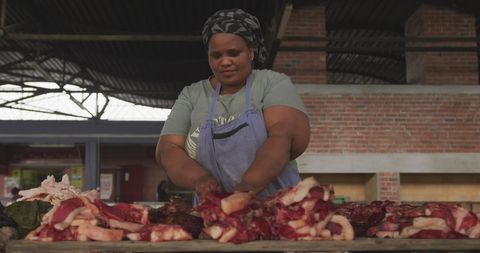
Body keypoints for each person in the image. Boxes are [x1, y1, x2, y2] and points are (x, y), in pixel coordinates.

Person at [156, 8, 310, 204]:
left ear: (251, 52)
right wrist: (201, 180)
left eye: (233, 53)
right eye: (216, 55)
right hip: (215, 217)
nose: (225, 61)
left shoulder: (272, 83)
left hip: (281, 211)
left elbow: (284, 135)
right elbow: (167, 150)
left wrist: (250, 185)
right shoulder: (192, 95)